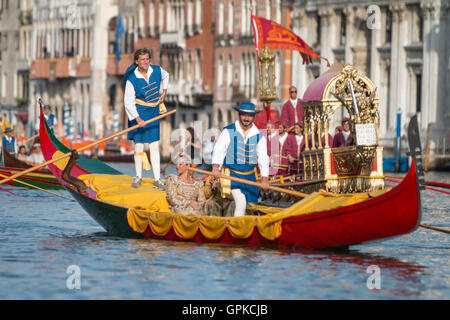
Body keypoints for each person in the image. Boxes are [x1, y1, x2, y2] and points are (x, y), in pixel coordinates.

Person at [211, 102, 270, 217]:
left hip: (250, 177)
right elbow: (219, 149)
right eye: (244, 115)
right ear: (239, 115)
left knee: (253, 206)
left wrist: (264, 178)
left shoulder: (259, 135)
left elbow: (263, 157)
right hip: (231, 176)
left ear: (253, 117)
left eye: (249, 116)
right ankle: (237, 230)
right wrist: (215, 167)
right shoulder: (229, 131)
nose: (246, 118)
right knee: (241, 202)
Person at [123, 48, 169, 189]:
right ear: (137, 61)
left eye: (147, 59)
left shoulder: (156, 70)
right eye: (142, 59)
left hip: (154, 110)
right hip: (139, 111)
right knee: (139, 145)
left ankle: (157, 179)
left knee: (154, 145)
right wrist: (137, 119)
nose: (145, 62)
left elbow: (166, 75)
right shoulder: (131, 80)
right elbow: (128, 102)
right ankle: (138, 177)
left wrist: (164, 91)